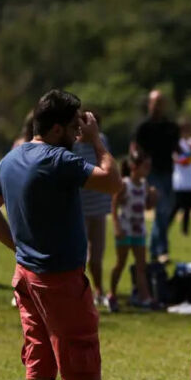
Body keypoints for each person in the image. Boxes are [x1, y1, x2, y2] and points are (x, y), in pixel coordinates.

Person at [0, 89, 149, 380]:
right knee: (84, 360)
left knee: (37, 359)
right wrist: (98, 140)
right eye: (73, 127)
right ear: (56, 129)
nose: (78, 133)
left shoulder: (12, 157)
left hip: (27, 277)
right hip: (61, 281)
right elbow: (112, 182)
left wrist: (19, 249)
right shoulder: (58, 159)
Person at [131, 89, 180, 262]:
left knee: (166, 210)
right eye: (154, 102)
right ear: (149, 104)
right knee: (162, 208)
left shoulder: (171, 127)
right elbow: (135, 148)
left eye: (160, 102)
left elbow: (176, 148)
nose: (157, 106)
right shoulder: (143, 127)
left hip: (168, 172)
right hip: (151, 173)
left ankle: (153, 249)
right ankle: (161, 250)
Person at [107, 152, 158, 312]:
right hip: (125, 229)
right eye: (145, 166)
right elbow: (114, 205)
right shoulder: (125, 184)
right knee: (120, 264)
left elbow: (147, 207)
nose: (148, 170)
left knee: (141, 266)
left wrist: (153, 197)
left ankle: (145, 298)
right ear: (134, 167)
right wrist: (117, 226)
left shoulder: (144, 184)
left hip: (139, 230)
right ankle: (112, 295)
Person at [75, 111, 112, 306]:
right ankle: (80, 291)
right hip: (79, 208)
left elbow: (108, 167)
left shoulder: (102, 140)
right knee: (79, 255)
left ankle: (99, 290)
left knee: (97, 254)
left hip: (99, 206)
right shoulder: (72, 144)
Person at [171, 117, 191, 236]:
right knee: (175, 207)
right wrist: (189, 156)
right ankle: (166, 225)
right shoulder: (176, 143)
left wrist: (190, 155)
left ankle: (185, 231)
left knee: (188, 208)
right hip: (179, 182)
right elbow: (178, 159)